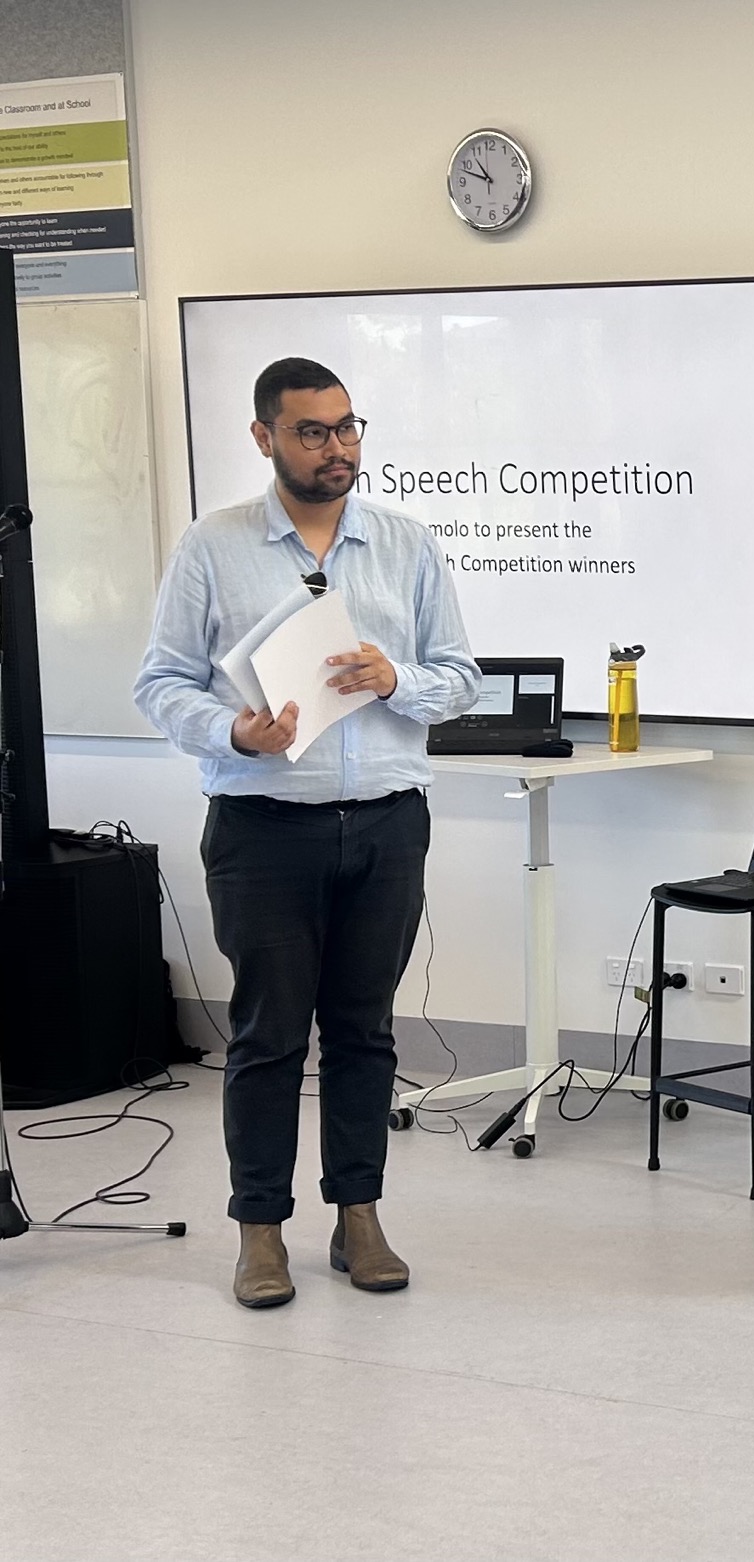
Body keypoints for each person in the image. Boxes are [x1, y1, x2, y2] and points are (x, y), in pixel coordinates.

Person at [132, 357, 481, 1309]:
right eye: (313, 432)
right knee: (268, 1034)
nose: (338, 448)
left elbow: (461, 677)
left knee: (365, 1032)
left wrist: (397, 679)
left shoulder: (405, 543)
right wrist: (232, 731)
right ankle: (260, 1231)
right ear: (265, 438)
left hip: (387, 824)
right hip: (263, 828)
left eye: (348, 428)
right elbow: (161, 683)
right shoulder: (214, 546)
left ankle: (358, 1217)